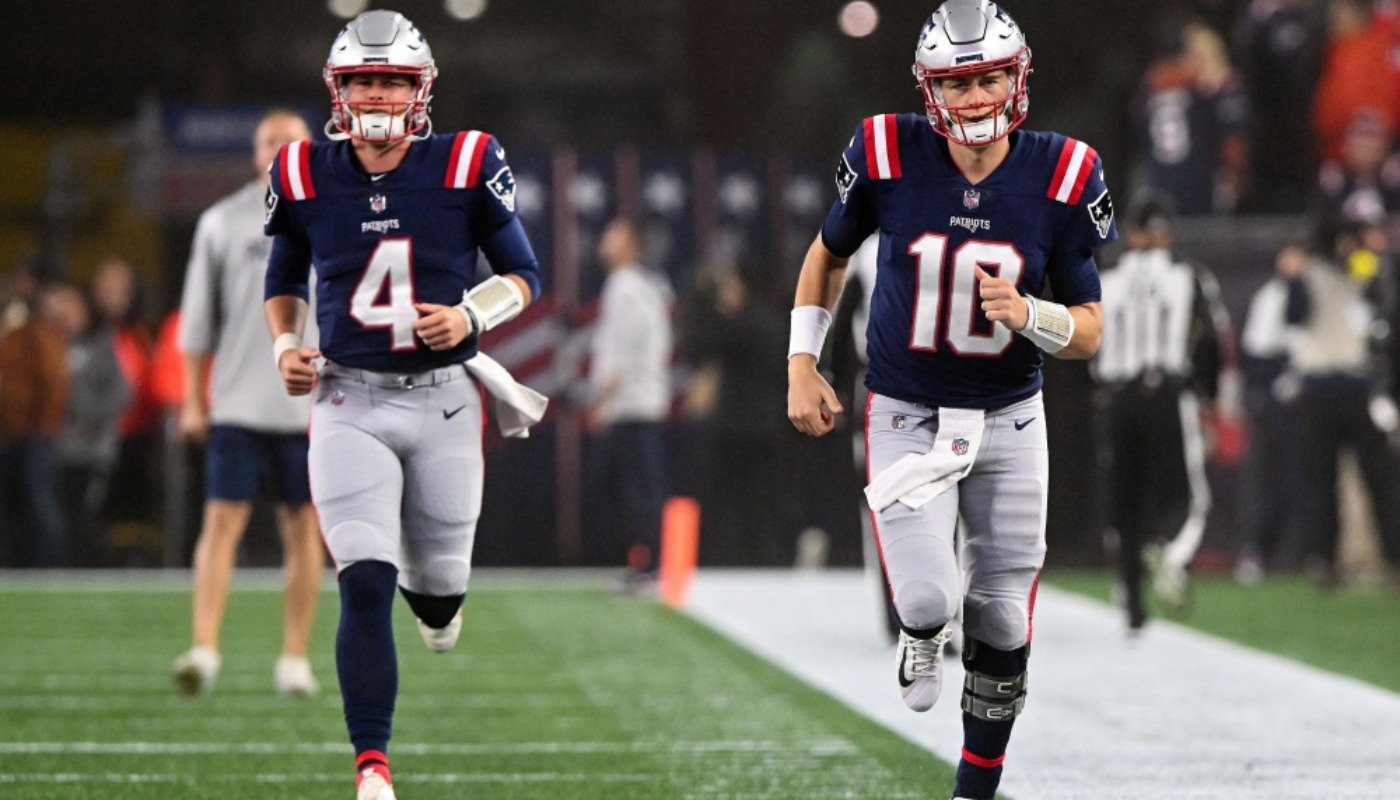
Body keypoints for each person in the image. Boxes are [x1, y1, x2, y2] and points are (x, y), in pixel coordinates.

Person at [785, 3, 1116, 799]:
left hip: (1010, 416)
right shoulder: (886, 151)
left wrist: (1028, 313)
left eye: (989, 76)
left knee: (1003, 619)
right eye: (957, 81)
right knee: (929, 596)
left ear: (1018, 76)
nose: (974, 97)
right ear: (930, 88)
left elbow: (1091, 331)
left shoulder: (1064, 171)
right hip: (907, 409)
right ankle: (920, 634)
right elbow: (827, 256)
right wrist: (802, 360)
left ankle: (974, 789)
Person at [263, 11, 545, 800]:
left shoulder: (465, 160)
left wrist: (470, 315)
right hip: (349, 396)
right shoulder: (302, 171)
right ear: (338, 90)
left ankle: (440, 603)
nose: (378, 94)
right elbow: (282, 280)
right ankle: (372, 766)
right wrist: (286, 348)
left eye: (391, 79)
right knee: (362, 579)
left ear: (420, 90)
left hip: (446, 401)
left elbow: (525, 273)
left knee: (439, 590)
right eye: (363, 80)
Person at [170, 109, 324, 698]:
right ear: (255, 152)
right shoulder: (222, 222)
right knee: (220, 523)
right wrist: (192, 399)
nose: (278, 148)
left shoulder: (334, 217)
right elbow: (197, 322)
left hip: (308, 406)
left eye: (290, 140)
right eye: (268, 140)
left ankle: (294, 657)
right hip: (235, 401)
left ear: (311, 147)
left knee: (303, 529)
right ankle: (204, 647)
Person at [1090, 192, 1230, 631]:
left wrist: (1097, 389)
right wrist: (1208, 391)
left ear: (1130, 233)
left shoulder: (1105, 274)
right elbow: (1211, 339)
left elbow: (1079, 333)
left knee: (1123, 499)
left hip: (1118, 397)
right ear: (1166, 232)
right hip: (1168, 393)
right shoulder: (1187, 275)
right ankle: (1169, 551)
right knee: (1189, 497)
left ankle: (1131, 599)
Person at [585, 216, 673, 586]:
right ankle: (645, 560)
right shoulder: (646, 286)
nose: (604, 240)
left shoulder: (623, 286)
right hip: (642, 401)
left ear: (631, 245)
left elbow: (620, 350)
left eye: (614, 234)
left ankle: (647, 562)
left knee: (630, 489)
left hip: (629, 404)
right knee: (635, 485)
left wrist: (602, 398)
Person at [0, 281, 71, 567]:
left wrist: (43, 427)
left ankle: (49, 567)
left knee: (40, 503)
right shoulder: (11, 335)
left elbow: (54, 383)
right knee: (12, 507)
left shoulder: (34, 334)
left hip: (33, 434)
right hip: (8, 434)